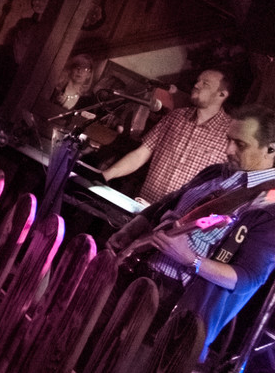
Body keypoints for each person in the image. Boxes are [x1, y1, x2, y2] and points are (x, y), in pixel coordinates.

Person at [105, 105, 275, 364]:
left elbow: (248, 279)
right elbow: (168, 204)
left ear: (271, 149)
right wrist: (133, 228)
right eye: (228, 140)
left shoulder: (269, 206)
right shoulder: (216, 172)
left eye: (240, 144)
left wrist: (190, 259)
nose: (228, 150)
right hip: (137, 277)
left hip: (175, 306)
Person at [102, 68, 233, 203]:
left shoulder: (230, 134)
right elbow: (140, 155)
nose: (196, 85)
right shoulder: (175, 117)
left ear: (221, 94)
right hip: (144, 206)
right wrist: (106, 175)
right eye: (198, 81)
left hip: (178, 215)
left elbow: (224, 188)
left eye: (205, 83)